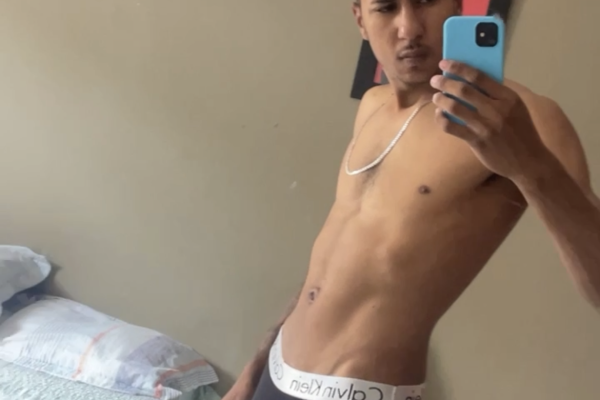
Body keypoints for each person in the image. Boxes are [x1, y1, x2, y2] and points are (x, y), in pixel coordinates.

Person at [225, 1, 600, 399]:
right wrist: (253, 371)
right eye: (387, 7)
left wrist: (531, 166)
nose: (409, 28)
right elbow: (331, 268)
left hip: (355, 389)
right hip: (276, 369)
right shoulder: (372, 105)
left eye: (425, 1)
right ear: (361, 20)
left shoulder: (525, 117)